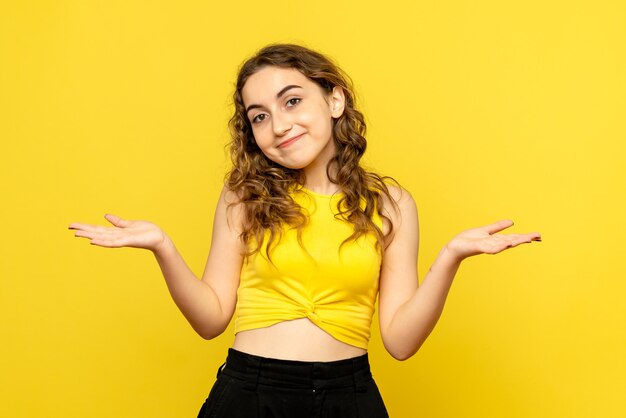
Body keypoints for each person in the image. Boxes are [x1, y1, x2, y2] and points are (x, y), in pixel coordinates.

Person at [68, 43, 541, 417]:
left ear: (334, 98)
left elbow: (399, 341)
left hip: (348, 395)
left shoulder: (391, 205)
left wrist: (451, 256)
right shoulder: (244, 197)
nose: (278, 125)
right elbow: (211, 319)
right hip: (250, 394)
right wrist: (162, 247)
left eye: (292, 101)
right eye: (260, 117)